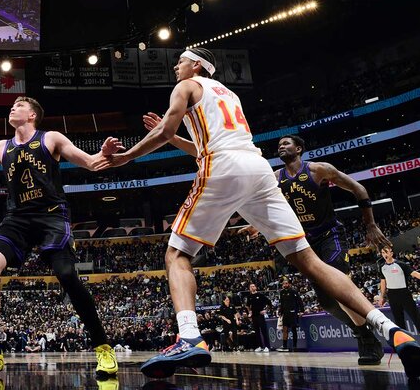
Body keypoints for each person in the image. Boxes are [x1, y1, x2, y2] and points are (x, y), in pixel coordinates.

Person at [108, 48, 420, 379]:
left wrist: (127, 156)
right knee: (309, 260)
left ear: (196, 65)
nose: (176, 66)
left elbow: (167, 133)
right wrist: (172, 137)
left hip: (223, 165)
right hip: (257, 168)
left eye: (181, 61)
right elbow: (199, 143)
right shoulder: (228, 95)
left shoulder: (186, 86)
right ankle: (390, 329)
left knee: (177, 254)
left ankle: (189, 337)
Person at [0, 97, 122, 378]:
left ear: (32, 115)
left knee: (67, 275)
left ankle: (103, 348)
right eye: (12, 106)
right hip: (16, 219)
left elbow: (91, 163)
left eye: (19, 105)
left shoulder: (50, 138)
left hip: (51, 215)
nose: (12, 108)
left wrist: (103, 153)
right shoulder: (0, 147)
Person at [248, 134, 387, 363]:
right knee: (327, 302)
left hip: (330, 235)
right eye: (279, 145)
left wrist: (370, 225)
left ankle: (367, 339)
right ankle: (363, 332)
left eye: (286, 143)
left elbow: (359, 188)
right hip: (305, 242)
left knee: (339, 287)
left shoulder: (319, 170)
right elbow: (268, 207)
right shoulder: (276, 178)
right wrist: (256, 225)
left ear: (299, 149)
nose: (281, 146)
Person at [379, 246, 420, 330]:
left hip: (404, 293)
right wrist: (382, 297)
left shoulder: (401, 264)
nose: (384, 254)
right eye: (383, 253)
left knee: (416, 318)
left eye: (386, 252)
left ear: (391, 253)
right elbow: (383, 282)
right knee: (398, 321)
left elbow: (415, 274)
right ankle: (404, 338)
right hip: (392, 295)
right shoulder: (382, 267)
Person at [245, 283, 271, 352]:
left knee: (263, 331)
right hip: (254, 316)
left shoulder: (260, 295)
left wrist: (266, 310)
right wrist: (249, 311)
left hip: (260, 315)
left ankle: (267, 346)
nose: (252, 287)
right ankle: (260, 346)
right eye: (251, 286)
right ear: (249, 288)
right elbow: (247, 306)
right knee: (257, 332)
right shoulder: (249, 296)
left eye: (253, 286)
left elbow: (269, 302)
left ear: (255, 287)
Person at [277, 280, 302, 352]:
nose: (285, 285)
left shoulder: (293, 292)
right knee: (285, 329)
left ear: (289, 284)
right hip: (285, 313)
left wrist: (302, 310)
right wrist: (280, 311)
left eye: (286, 283)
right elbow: (281, 303)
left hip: (292, 312)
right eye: (283, 284)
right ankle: (284, 346)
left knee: (294, 329)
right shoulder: (281, 292)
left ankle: (295, 346)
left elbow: (299, 301)